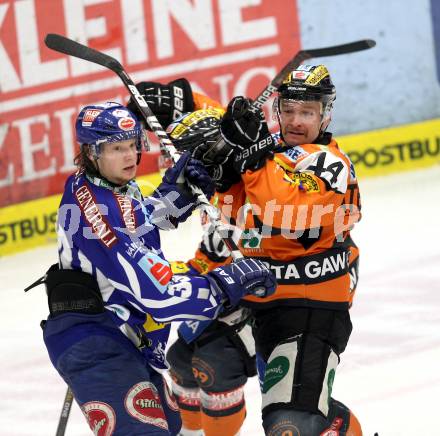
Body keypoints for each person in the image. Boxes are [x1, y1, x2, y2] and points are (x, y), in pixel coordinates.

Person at [128, 69, 362, 436]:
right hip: (256, 292)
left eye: (308, 112)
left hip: (310, 300)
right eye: (289, 109)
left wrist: (248, 157)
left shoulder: (326, 163)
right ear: (278, 110)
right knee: (189, 361)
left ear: (325, 115)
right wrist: (185, 105)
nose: (297, 121)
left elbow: (286, 210)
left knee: (293, 424)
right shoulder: (266, 151)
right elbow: (232, 128)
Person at [34, 101, 276, 435]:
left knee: (173, 426)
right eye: (117, 148)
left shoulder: (100, 186)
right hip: (95, 344)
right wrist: (224, 284)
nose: (130, 156)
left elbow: (141, 222)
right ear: (91, 152)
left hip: (114, 337)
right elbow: (158, 295)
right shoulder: (98, 212)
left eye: (133, 145)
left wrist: (176, 197)